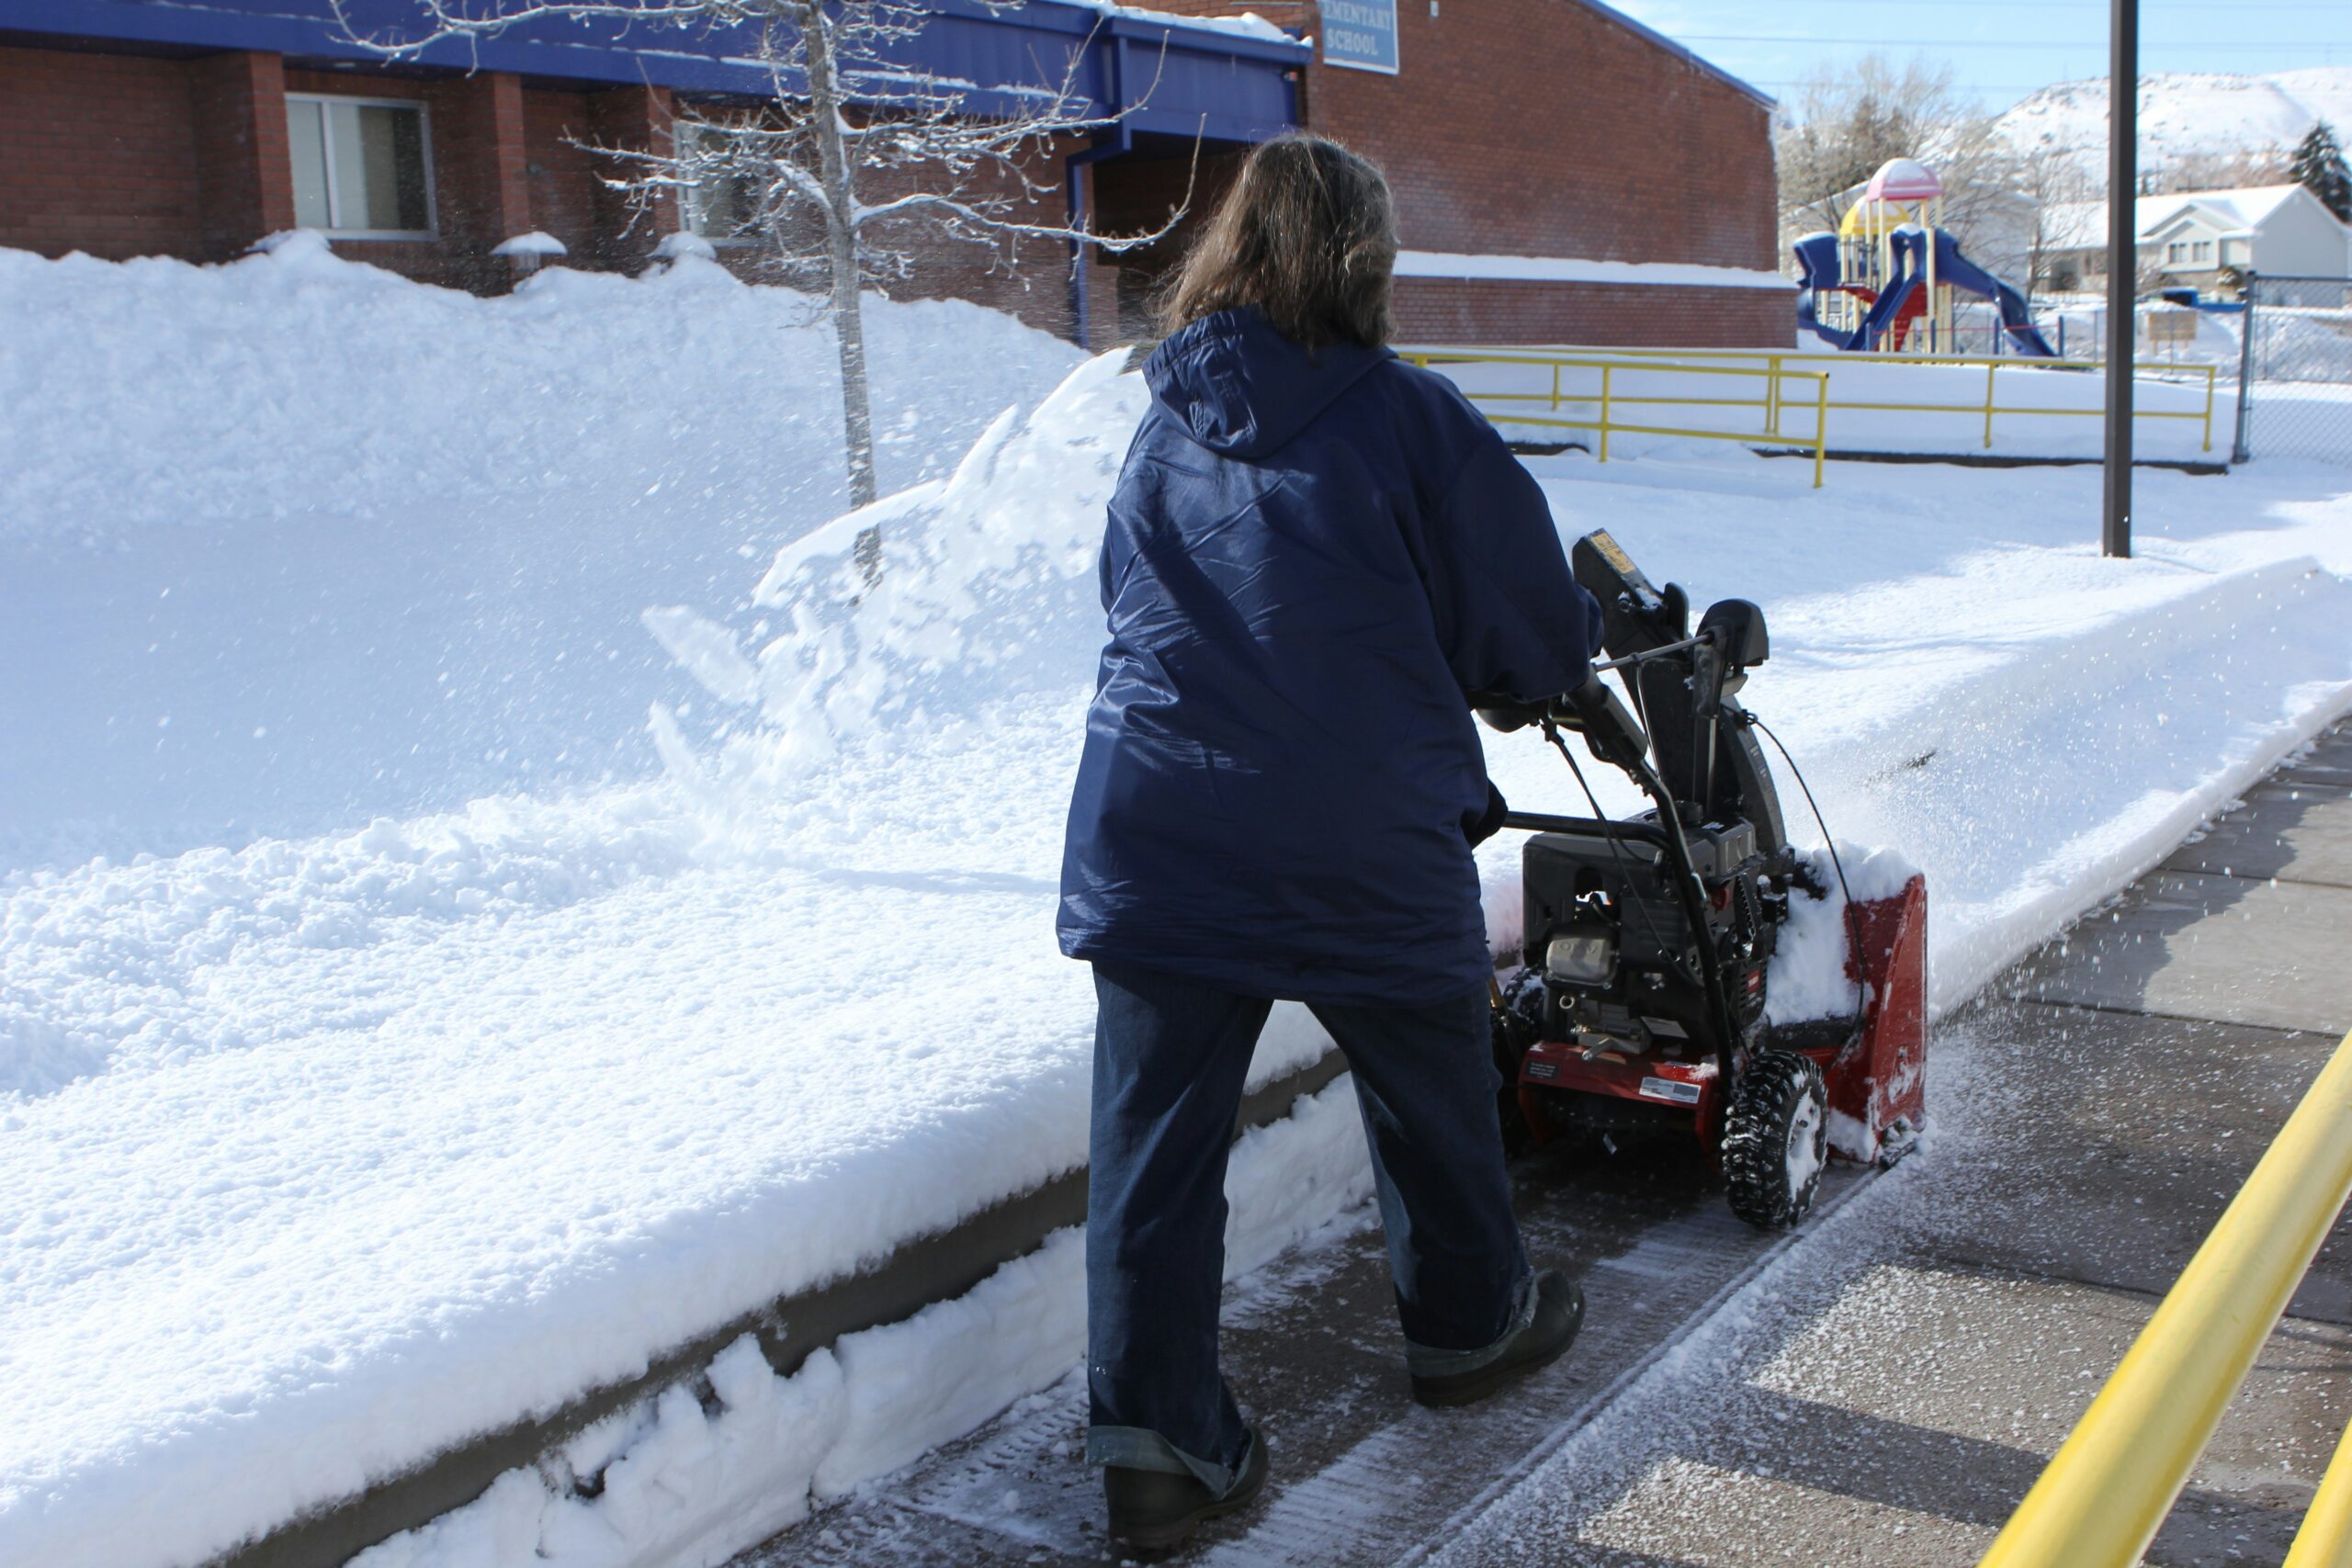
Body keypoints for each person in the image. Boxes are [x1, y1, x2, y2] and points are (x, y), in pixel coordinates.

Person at [1057, 133, 1607, 1551]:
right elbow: (1530, 633)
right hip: (1358, 834)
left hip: (1159, 826)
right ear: (1366, 262)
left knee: (1153, 1147)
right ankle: (1470, 1325)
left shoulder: (1162, 420)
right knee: (1432, 1081)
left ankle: (1160, 1449)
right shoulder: (1411, 419)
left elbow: (1133, 596)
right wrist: (1542, 675)